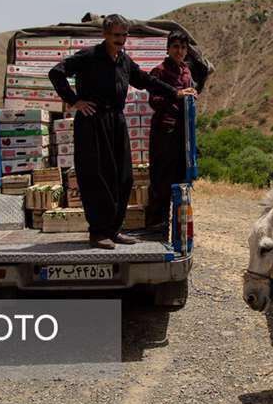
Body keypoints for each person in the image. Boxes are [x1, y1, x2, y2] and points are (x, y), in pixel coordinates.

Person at [49, 14, 196, 250]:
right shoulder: (89, 56)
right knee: (97, 177)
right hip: (92, 121)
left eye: (124, 35)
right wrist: (74, 101)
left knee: (124, 177)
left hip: (117, 120)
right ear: (105, 34)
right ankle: (98, 232)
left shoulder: (124, 61)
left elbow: (146, 80)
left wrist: (175, 93)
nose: (120, 39)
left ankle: (114, 230)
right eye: (116, 35)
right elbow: (56, 72)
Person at [144, 30, 195, 233]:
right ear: (167, 49)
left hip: (183, 132)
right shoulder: (159, 71)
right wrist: (178, 96)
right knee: (161, 177)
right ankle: (156, 223)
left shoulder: (186, 71)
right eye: (175, 47)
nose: (179, 51)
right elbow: (154, 101)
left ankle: (178, 225)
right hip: (164, 130)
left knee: (181, 177)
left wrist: (191, 96)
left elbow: (188, 94)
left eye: (183, 47)